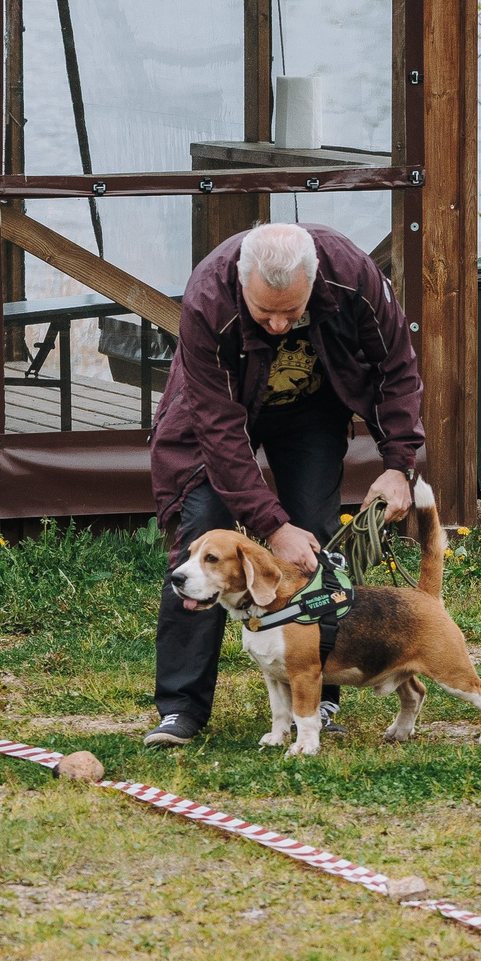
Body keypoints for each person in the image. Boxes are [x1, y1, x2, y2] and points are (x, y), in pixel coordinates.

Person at [142, 221, 426, 748]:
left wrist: (398, 463)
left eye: (292, 313)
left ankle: (319, 696)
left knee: (312, 531)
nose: (277, 325)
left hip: (311, 408)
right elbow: (219, 432)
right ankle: (181, 708)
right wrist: (272, 526)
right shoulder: (208, 296)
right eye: (263, 312)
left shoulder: (353, 276)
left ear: (314, 282)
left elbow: (397, 366)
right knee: (202, 532)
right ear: (242, 281)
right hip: (218, 412)